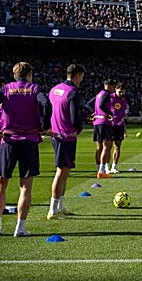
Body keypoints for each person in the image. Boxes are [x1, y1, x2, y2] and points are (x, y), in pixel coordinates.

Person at [0, 62, 50, 237]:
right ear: (29, 74)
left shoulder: (6, 89)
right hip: (29, 140)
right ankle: (20, 228)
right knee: (25, 187)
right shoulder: (34, 89)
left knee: (0, 184)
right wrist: (44, 125)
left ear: (14, 75)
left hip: (8, 140)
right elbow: (46, 104)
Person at [47, 63, 86, 220]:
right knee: (61, 172)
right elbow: (74, 116)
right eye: (82, 77)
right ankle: (52, 209)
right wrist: (79, 128)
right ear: (77, 75)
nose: (82, 80)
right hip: (66, 136)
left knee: (65, 171)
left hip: (55, 133)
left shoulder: (54, 89)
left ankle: (60, 205)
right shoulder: (73, 92)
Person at [92, 80, 127, 177]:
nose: (122, 93)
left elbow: (92, 104)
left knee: (107, 147)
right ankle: (102, 169)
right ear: (113, 87)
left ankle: (106, 168)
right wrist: (109, 114)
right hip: (106, 123)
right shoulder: (108, 95)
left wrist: (95, 113)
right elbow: (101, 105)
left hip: (106, 123)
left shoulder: (100, 94)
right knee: (106, 147)